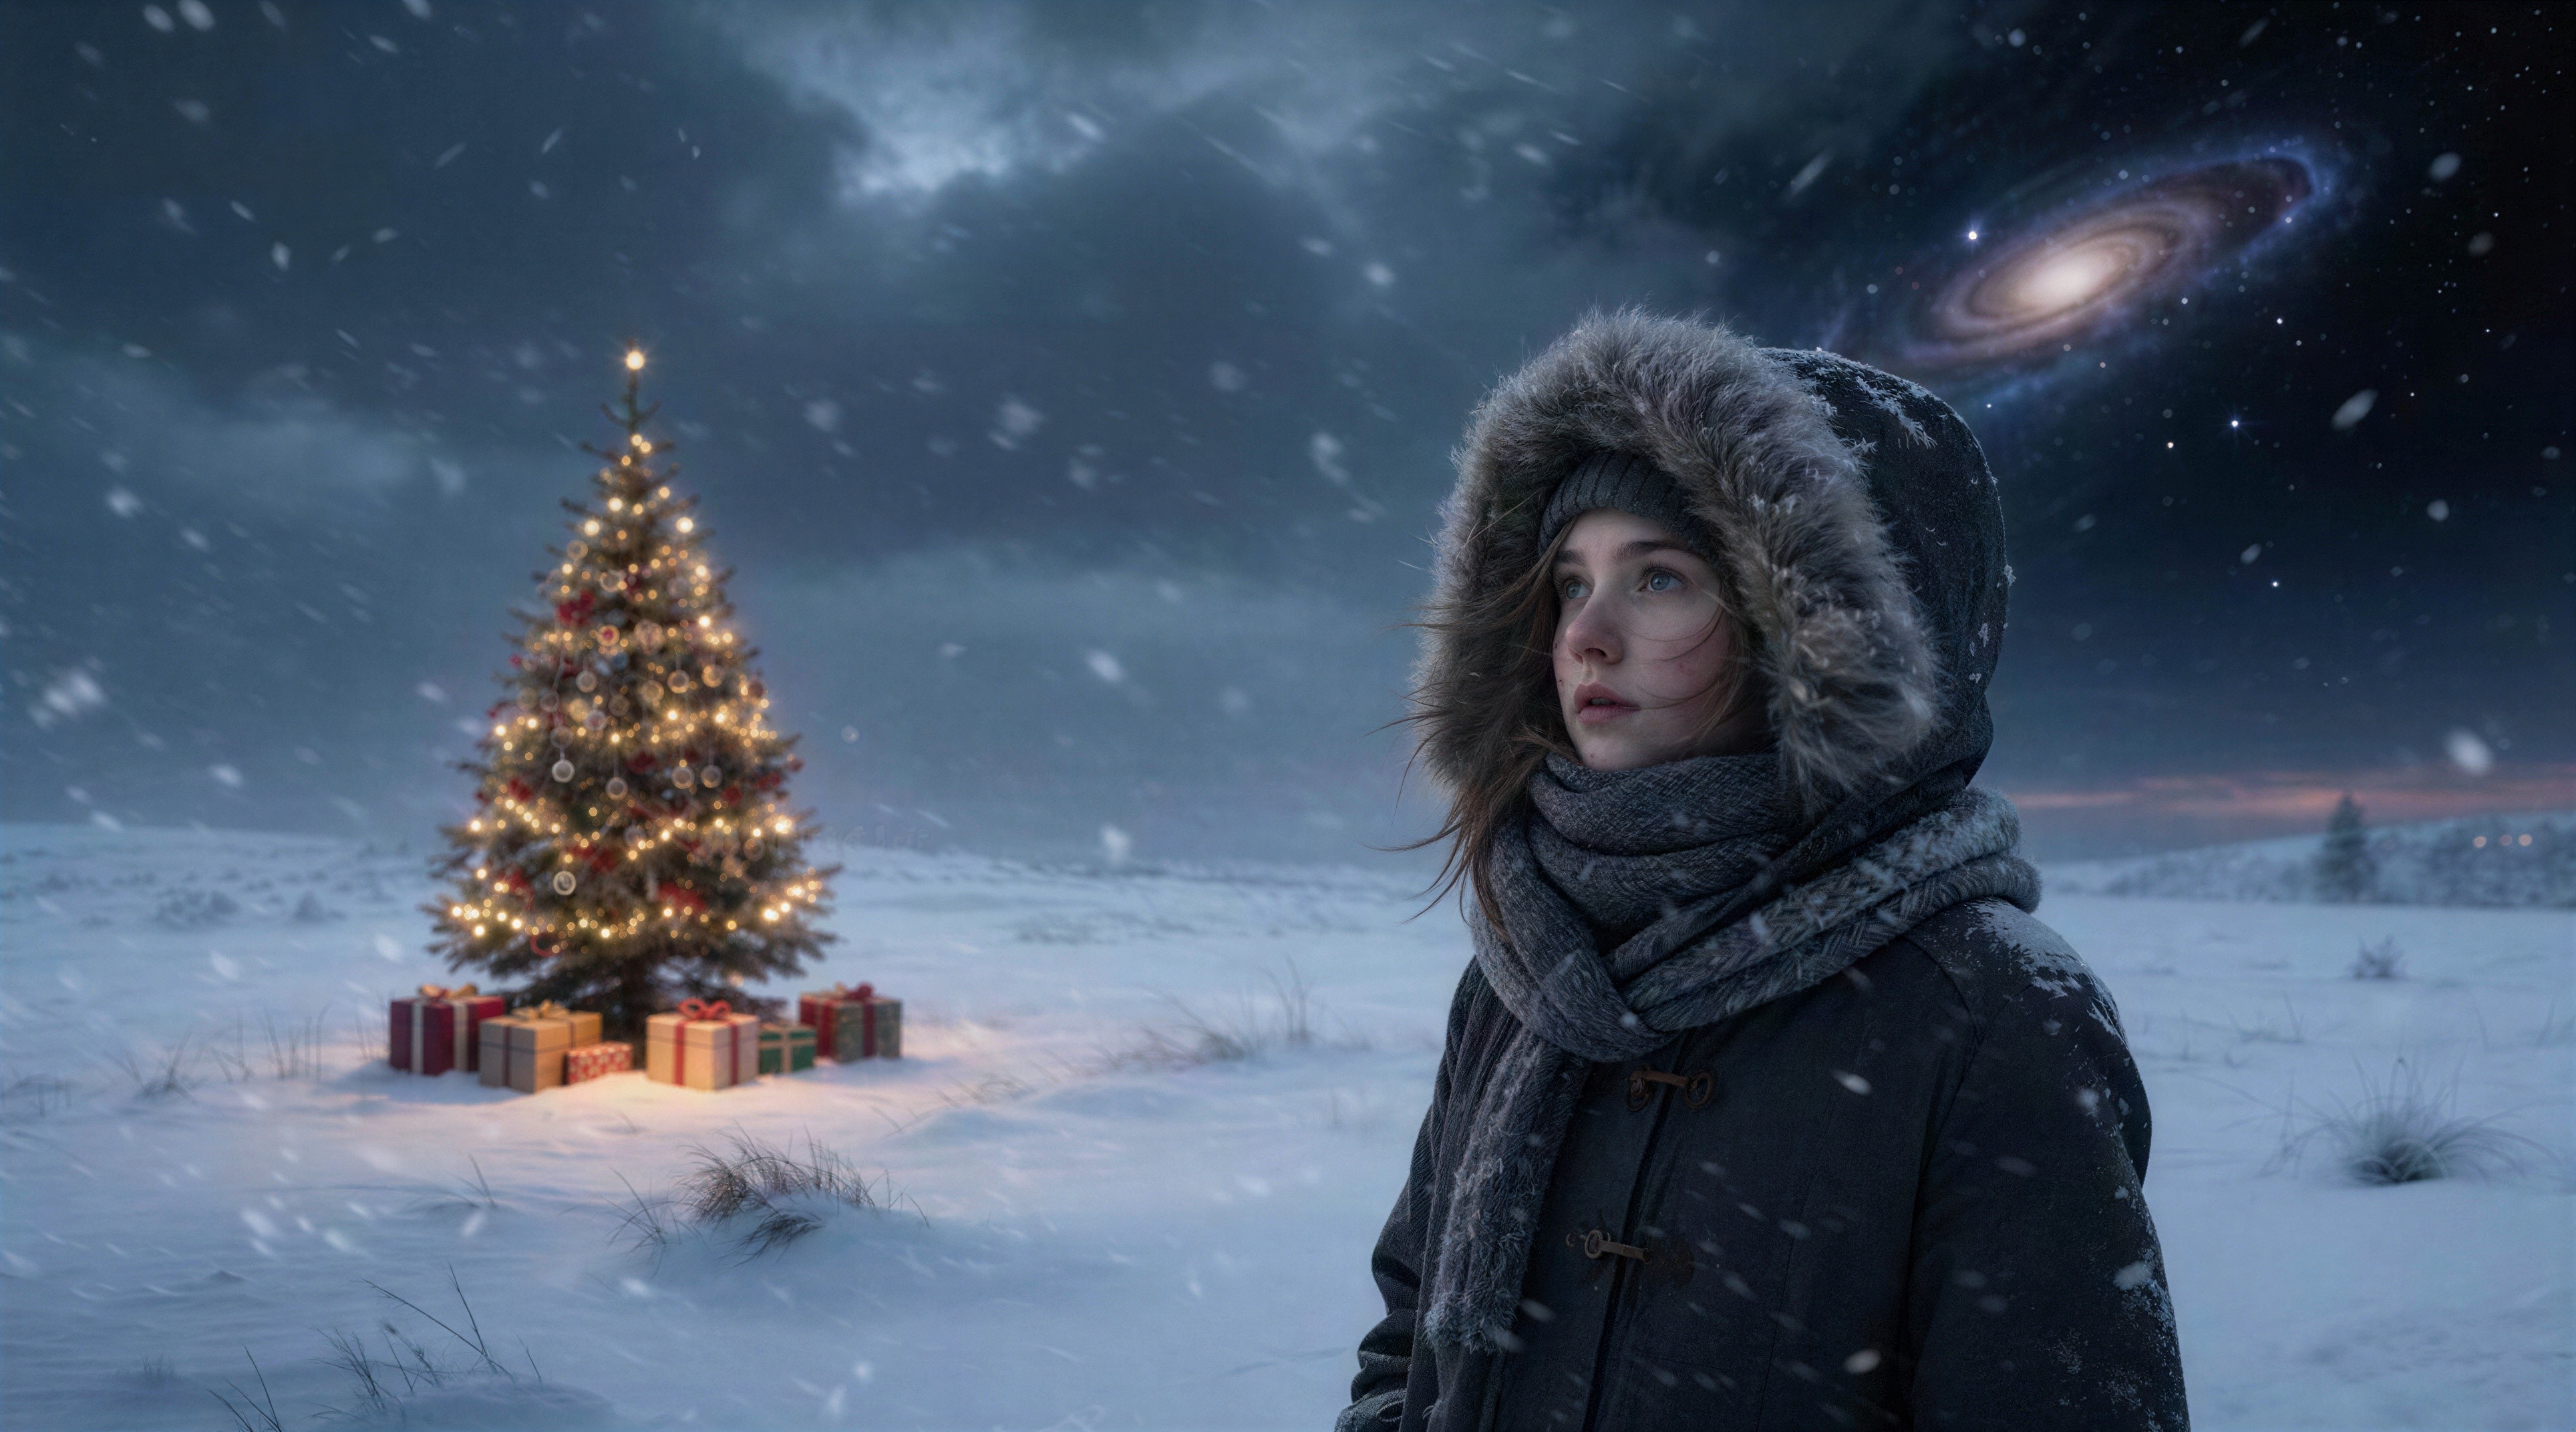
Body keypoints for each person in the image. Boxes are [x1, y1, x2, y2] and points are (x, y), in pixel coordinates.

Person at [1337, 311, 2187, 1430]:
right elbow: (1411, 1339)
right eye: (1572, 583)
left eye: (1659, 579)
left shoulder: (1991, 1010)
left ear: (1820, 634)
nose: (1586, 635)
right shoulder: (1529, 958)